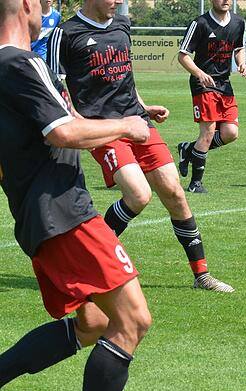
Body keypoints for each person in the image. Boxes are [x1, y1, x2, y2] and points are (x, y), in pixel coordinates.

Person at [0, 0, 153, 391]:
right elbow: (63, 132)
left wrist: (114, 124)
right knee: (132, 321)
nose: (46, 11)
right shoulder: (19, 62)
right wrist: (126, 125)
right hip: (64, 213)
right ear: (26, 4)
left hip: (39, 216)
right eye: (44, 3)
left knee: (90, 323)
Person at [48, 0, 234, 292]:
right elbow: (55, 88)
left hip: (138, 121)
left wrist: (145, 106)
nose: (119, 2)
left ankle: (202, 276)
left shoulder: (123, 25)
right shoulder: (65, 33)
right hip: (103, 129)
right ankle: (90, 258)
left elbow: (125, 78)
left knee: (174, 192)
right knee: (138, 195)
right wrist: (78, 121)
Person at [175, 0, 246, 194]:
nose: (225, 1)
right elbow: (183, 55)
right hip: (203, 84)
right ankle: (195, 183)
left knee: (231, 133)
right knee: (208, 132)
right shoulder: (199, 23)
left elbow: (239, 48)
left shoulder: (238, 22)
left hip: (224, 84)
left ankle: (188, 150)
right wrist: (199, 73)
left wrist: (242, 63)